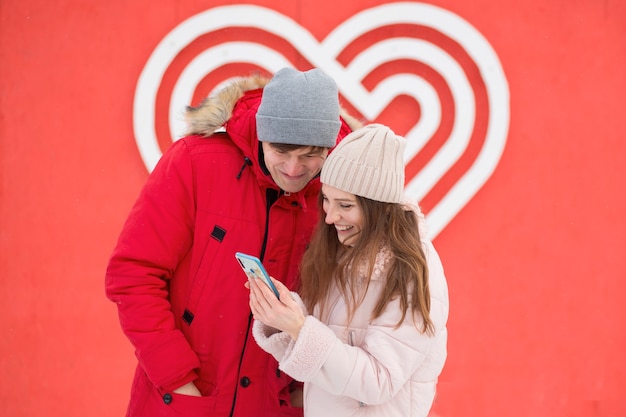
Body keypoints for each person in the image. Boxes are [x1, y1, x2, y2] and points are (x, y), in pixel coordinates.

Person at [105, 67, 360, 417]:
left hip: (276, 406)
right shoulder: (194, 163)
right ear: (261, 134)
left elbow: (349, 304)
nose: (293, 168)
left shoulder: (340, 195)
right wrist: (178, 380)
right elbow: (134, 275)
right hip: (182, 400)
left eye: (309, 155)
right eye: (281, 150)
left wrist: (301, 394)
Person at [248, 124, 449, 417]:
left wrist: (300, 328)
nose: (330, 217)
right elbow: (333, 349)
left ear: (378, 208)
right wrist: (287, 316)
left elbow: (379, 380)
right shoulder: (347, 250)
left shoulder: (411, 270)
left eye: (345, 205)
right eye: (326, 200)